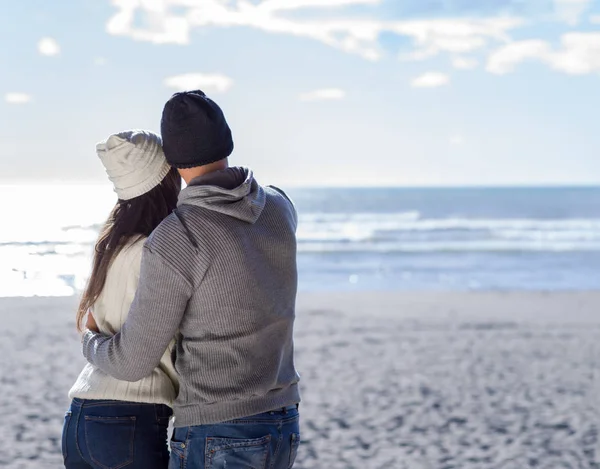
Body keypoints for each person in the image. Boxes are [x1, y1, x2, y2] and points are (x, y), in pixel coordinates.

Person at [81, 90, 301, 468]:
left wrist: (89, 339)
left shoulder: (178, 234)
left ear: (171, 157)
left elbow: (132, 362)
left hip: (217, 429)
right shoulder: (280, 207)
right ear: (226, 139)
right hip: (283, 421)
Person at [62, 130, 182, 468]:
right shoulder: (154, 251)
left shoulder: (111, 244)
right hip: (129, 418)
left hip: (81, 415)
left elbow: (90, 323)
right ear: (165, 179)